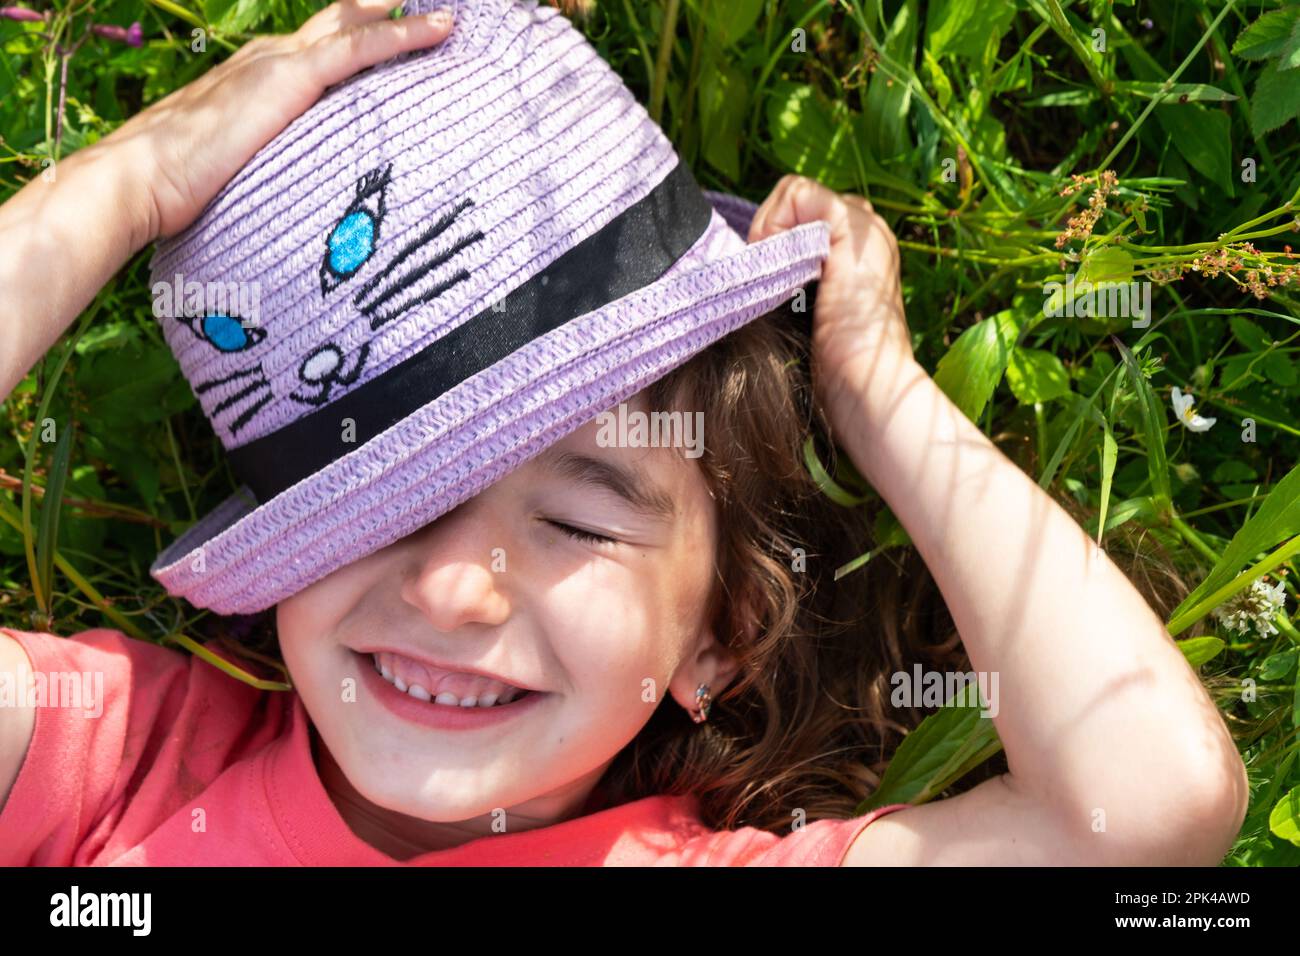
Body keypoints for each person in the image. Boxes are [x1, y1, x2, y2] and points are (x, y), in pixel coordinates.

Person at [0, 0, 1247, 866]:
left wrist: (878, 389)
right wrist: (124, 184)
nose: (449, 585)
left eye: (577, 518)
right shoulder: (124, 764)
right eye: (377, 502)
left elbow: (1147, 810)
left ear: (726, 634)